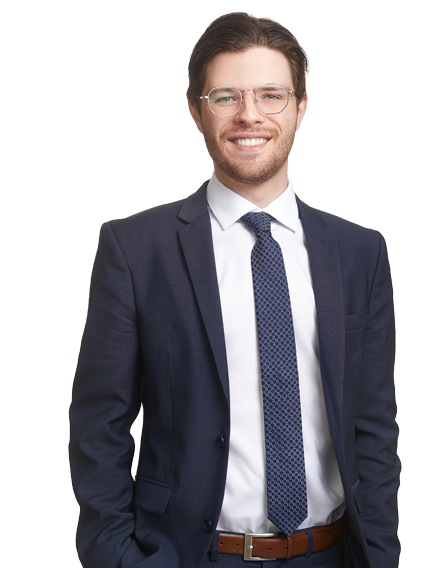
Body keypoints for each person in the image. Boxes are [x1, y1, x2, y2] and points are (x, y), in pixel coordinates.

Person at [69, 12, 400, 568]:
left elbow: (374, 429)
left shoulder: (358, 253)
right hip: (189, 556)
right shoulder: (135, 251)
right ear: (196, 110)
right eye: (226, 97)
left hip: (335, 554)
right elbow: (97, 428)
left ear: (300, 107)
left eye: (271, 95)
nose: (250, 115)